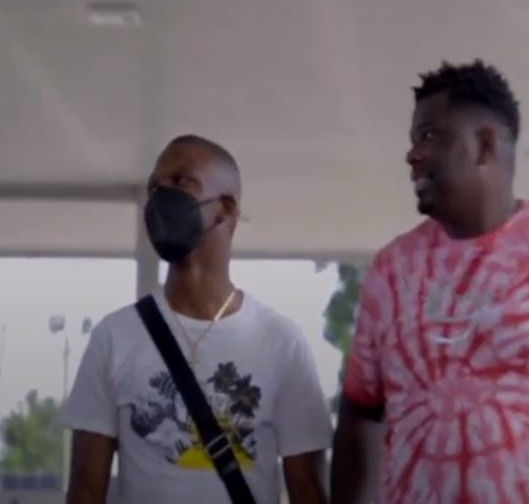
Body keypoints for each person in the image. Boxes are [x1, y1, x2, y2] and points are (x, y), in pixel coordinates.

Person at [330, 60, 529, 504]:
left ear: (484, 145)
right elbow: (361, 411)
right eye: (414, 139)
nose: (413, 154)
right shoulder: (391, 271)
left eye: (430, 136)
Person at [63, 134, 332, 504]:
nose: (161, 196)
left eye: (181, 182)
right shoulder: (114, 337)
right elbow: (85, 491)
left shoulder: (281, 342)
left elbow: (308, 491)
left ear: (226, 208)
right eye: (154, 187)